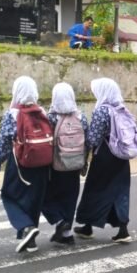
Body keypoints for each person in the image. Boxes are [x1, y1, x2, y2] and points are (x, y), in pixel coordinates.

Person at [0, 76, 51, 253]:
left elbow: (4, 141)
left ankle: (26, 228)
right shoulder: (42, 111)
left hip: (20, 164)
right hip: (43, 163)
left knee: (9, 196)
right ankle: (30, 239)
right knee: (34, 199)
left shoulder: (12, 114)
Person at [74, 78, 133, 243]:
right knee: (120, 191)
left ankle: (87, 227)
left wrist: (83, 154)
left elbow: (93, 139)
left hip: (105, 156)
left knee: (95, 189)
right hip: (121, 156)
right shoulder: (122, 109)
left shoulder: (102, 111)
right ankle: (123, 229)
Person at [43, 83, 89, 245]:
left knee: (46, 195)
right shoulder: (81, 117)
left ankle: (58, 221)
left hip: (55, 165)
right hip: (75, 164)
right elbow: (87, 142)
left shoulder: (50, 118)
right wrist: (84, 163)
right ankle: (67, 233)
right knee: (70, 197)